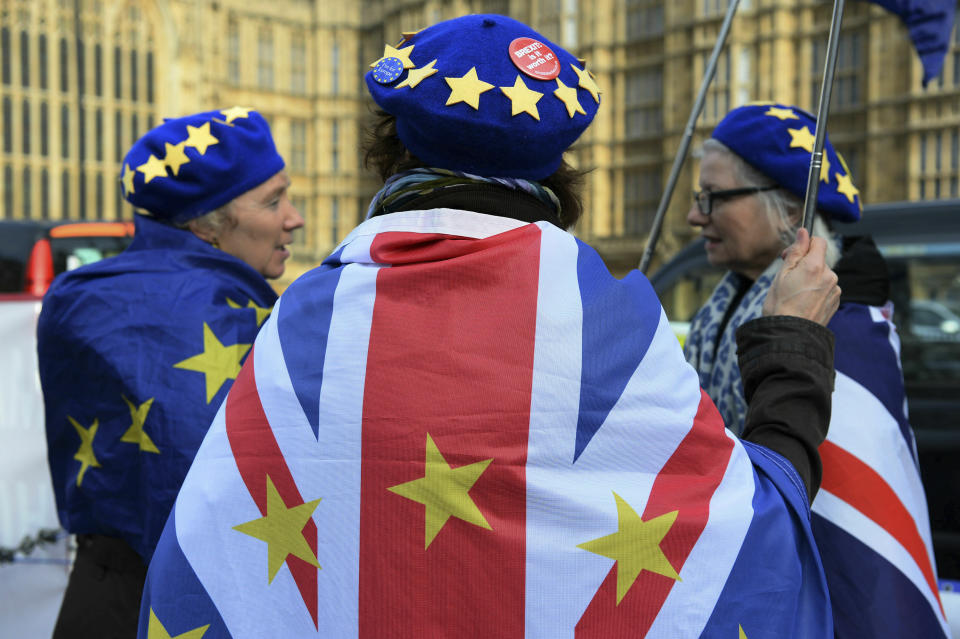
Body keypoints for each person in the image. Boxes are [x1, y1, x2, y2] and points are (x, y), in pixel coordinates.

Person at [138, 18, 837, 638]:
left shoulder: (307, 315)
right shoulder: (607, 315)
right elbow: (749, 530)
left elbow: (211, 557)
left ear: (395, 149)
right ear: (555, 163)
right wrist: (792, 341)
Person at [684, 102, 950, 638]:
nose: (695, 216)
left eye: (712, 197)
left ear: (785, 205)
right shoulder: (727, 303)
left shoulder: (842, 327)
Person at [37, 107, 304, 638]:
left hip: (98, 596)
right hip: (216, 602)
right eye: (273, 200)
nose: (293, 217)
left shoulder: (74, 298)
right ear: (206, 226)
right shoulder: (265, 326)